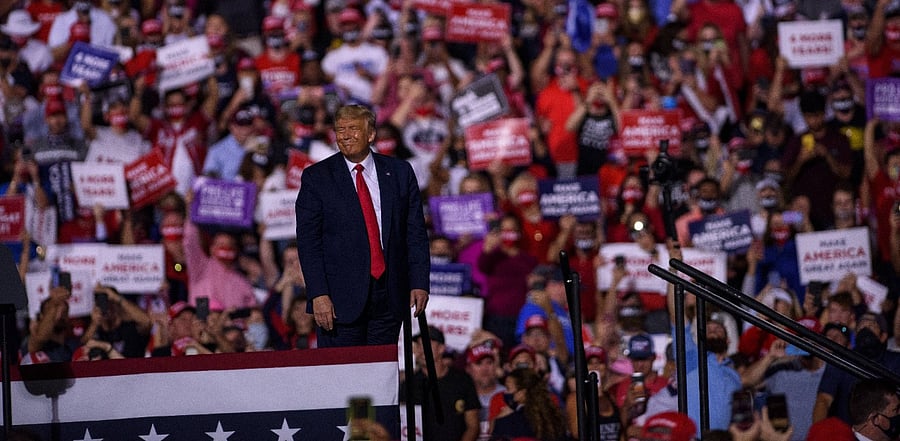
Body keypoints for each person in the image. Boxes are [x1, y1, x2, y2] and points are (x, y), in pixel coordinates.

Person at [295, 104, 429, 347]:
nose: (345, 136)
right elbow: (308, 242)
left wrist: (419, 281)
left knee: (380, 378)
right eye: (340, 130)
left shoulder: (399, 172)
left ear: (370, 134)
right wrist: (318, 293)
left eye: (353, 129)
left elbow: (415, 232)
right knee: (343, 379)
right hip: (338, 301)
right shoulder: (317, 177)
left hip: (389, 296)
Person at [406, 326, 480, 441]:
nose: (421, 350)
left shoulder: (462, 381)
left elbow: (473, 426)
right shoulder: (409, 384)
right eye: (419, 345)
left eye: (427, 344)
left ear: (441, 349)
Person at [491, 367, 568, 441]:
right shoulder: (555, 418)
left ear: (522, 393)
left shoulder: (506, 422)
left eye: (508, 388)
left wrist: (500, 418)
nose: (505, 393)